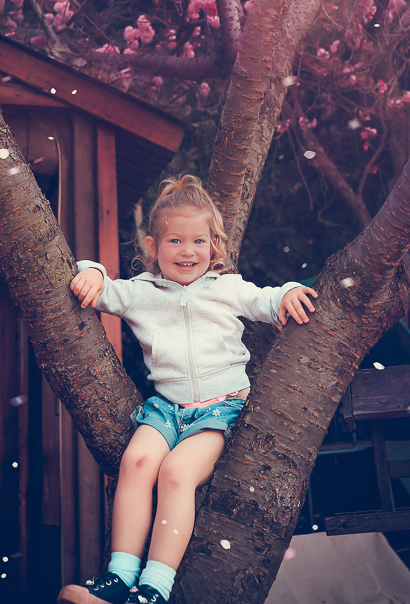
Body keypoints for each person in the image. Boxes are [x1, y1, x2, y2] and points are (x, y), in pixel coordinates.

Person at [59, 175, 317, 604]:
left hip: (222, 409)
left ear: (213, 247)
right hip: (167, 408)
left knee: (176, 473)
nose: (187, 251)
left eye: (198, 241)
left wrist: (289, 293)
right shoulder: (141, 293)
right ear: (151, 247)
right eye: (175, 241)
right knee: (137, 461)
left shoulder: (226, 288)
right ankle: (120, 576)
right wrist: (91, 270)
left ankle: (154, 589)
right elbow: (103, 289)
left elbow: (268, 300)